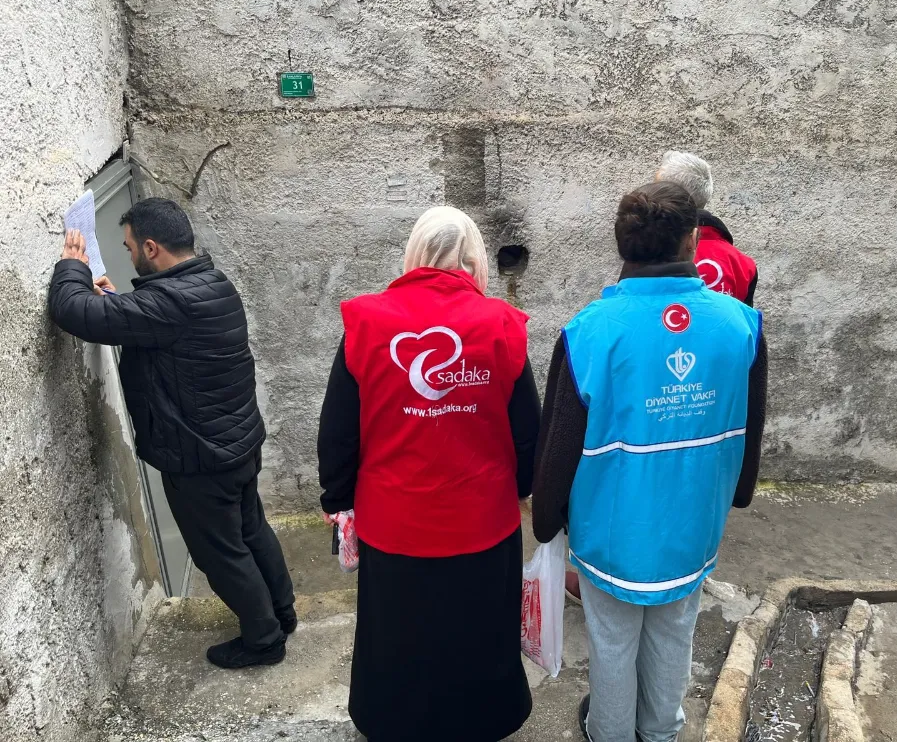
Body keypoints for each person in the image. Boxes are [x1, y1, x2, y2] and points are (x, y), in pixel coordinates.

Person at [532, 182, 768, 742]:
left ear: (623, 243)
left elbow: (559, 442)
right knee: (674, 632)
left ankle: (610, 731)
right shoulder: (741, 325)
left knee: (612, 640)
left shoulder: (589, 331)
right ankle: (660, 731)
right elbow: (750, 423)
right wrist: (739, 493)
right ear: (692, 241)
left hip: (609, 532)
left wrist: (547, 519)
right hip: (694, 525)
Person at [317, 206, 540, 742]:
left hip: (394, 524)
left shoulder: (366, 322)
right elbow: (528, 433)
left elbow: (338, 430)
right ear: (475, 258)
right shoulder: (501, 325)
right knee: (479, 635)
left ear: (414, 253)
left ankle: (398, 725)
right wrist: (519, 489)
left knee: (398, 639)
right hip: (482, 522)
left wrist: (337, 500)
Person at [49, 198, 295, 669]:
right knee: (251, 532)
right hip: (237, 444)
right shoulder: (212, 283)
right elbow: (160, 331)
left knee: (221, 554)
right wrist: (117, 304)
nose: (127, 255)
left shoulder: (168, 302)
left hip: (200, 459)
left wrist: (72, 267)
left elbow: (72, 311)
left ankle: (264, 640)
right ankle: (282, 613)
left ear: (151, 247)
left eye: (128, 248)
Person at [655, 150, 758, 306]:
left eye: (656, 188)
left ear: (670, 197)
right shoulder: (743, 265)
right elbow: (746, 320)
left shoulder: (649, 254)